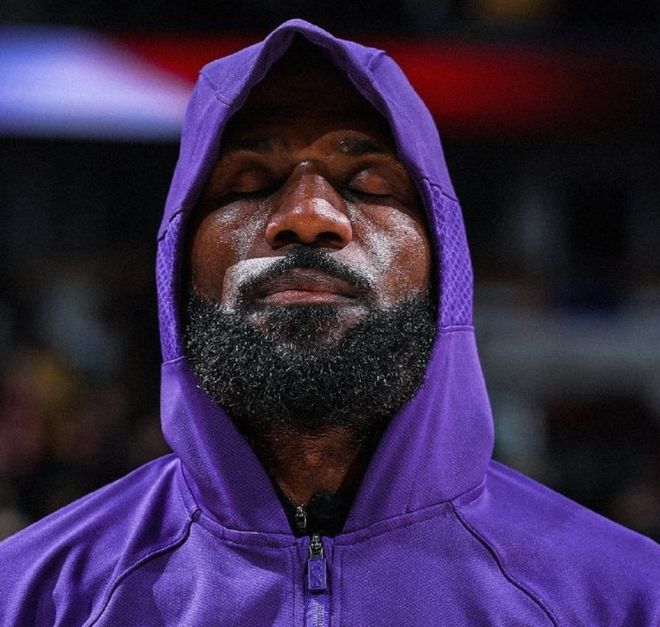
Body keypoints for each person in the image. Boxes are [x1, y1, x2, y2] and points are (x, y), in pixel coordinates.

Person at [0, 19, 659, 626]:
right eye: (248, 183)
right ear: (177, 262)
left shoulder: (626, 595)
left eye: (369, 183)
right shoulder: (31, 594)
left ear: (445, 258)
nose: (309, 214)